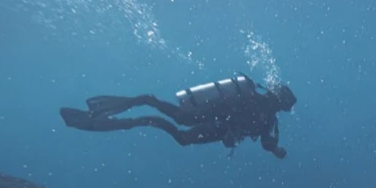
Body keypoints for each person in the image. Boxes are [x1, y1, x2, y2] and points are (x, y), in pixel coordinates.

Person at [60, 74, 296, 158]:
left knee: (180, 120)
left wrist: (275, 149)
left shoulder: (258, 103)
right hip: (217, 125)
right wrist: (277, 150)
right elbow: (266, 141)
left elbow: (266, 140)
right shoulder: (267, 117)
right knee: (182, 137)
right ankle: (140, 118)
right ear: (281, 105)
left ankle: (140, 104)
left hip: (207, 115)